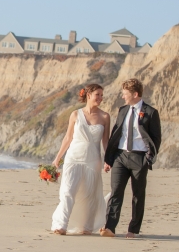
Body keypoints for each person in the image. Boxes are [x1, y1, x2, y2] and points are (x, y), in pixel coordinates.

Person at [100, 78, 161, 239]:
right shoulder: (123, 110)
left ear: (135, 94)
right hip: (120, 156)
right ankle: (110, 227)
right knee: (116, 192)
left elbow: (156, 138)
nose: (123, 96)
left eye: (125, 94)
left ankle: (133, 229)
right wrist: (109, 159)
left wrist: (148, 158)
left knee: (137, 195)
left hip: (139, 158)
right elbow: (116, 134)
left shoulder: (150, 112)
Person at [50, 84, 110, 235]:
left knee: (90, 194)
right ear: (88, 95)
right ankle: (61, 225)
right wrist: (58, 157)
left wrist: (108, 160)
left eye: (102, 95)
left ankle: (87, 227)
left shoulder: (105, 116)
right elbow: (68, 137)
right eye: (98, 94)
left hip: (93, 159)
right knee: (67, 191)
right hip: (73, 158)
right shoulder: (75, 114)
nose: (101, 98)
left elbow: (105, 141)